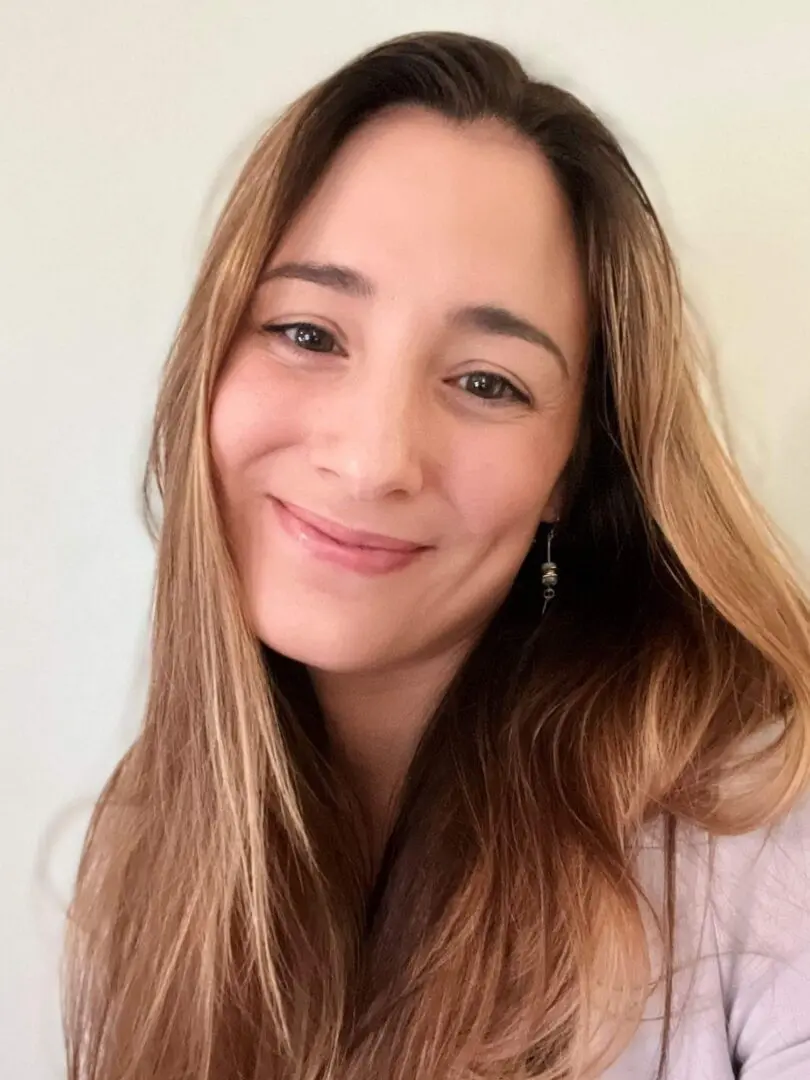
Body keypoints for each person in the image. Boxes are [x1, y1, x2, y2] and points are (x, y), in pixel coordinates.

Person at [63, 30, 810, 1080]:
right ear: (209, 366)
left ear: (570, 472)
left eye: (488, 382)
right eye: (309, 333)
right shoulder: (148, 864)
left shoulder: (761, 846)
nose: (373, 459)